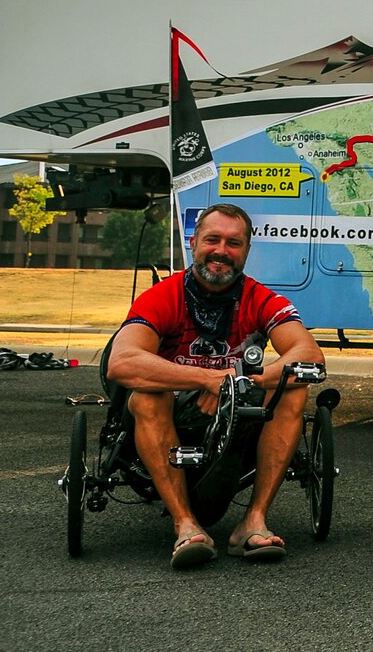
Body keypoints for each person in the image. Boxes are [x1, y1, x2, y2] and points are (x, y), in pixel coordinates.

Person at [106, 203, 325, 569]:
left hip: (234, 410)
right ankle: (185, 525)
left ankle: (253, 522)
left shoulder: (261, 299)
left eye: (233, 243)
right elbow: (122, 361)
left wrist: (240, 384)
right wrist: (207, 378)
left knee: (293, 388)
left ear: (246, 251)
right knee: (146, 397)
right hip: (173, 410)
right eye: (213, 239)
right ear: (194, 243)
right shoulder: (164, 296)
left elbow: (309, 354)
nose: (221, 251)